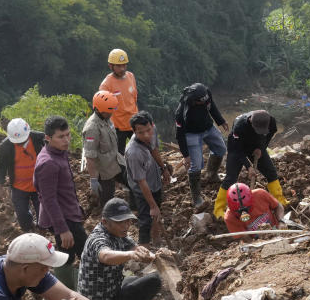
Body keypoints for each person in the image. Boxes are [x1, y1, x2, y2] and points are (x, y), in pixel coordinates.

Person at [78, 198, 163, 300]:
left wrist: (156, 255)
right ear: (105, 222)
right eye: (120, 222)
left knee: (134, 279)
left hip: (111, 292)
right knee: (154, 280)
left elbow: (139, 250)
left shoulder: (120, 234)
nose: (126, 225)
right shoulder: (97, 238)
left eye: (128, 221)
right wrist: (131, 254)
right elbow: (105, 256)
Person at [34, 115, 85, 289]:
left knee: (67, 254)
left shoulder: (59, 153)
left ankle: (68, 292)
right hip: (63, 217)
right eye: (61, 137)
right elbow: (48, 200)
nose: (66, 140)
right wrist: (62, 229)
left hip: (69, 212)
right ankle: (70, 293)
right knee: (84, 253)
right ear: (48, 138)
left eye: (68, 135)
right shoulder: (48, 162)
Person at [213, 110, 288, 219]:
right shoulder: (240, 125)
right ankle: (218, 210)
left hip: (256, 145)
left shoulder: (270, 120)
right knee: (231, 178)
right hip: (237, 147)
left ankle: (280, 201)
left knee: (271, 172)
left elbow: (270, 133)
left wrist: (261, 148)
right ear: (250, 122)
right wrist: (249, 167)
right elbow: (238, 150)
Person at [175, 83, 228, 209]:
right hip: (191, 134)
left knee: (221, 149)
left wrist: (221, 121)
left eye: (205, 100)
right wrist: (186, 155)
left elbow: (212, 107)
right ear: (194, 101)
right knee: (196, 165)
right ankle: (196, 197)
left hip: (208, 128)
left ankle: (211, 174)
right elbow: (179, 135)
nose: (204, 103)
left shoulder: (205, 94)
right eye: (201, 102)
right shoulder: (181, 111)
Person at [124, 111, 167, 245]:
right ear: (134, 132)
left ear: (152, 125)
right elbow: (141, 182)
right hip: (142, 189)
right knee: (145, 220)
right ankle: (144, 251)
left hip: (154, 182)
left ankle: (157, 240)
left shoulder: (152, 130)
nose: (146, 135)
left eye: (148, 130)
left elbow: (154, 150)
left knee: (156, 215)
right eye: (141, 133)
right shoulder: (134, 153)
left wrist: (164, 169)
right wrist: (152, 206)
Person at [0, 118, 45, 231]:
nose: (20, 143)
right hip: (18, 187)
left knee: (43, 214)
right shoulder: (5, 146)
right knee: (22, 215)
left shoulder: (39, 138)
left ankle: (43, 229)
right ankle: (29, 228)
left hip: (39, 185)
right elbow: (1, 167)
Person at [82, 91, 122, 209]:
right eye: (109, 110)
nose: (111, 113)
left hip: (114, 164)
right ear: (99, 110)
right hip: (104, 173)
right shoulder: (92, 128)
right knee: (107, 200)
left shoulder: (106, 119)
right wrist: (93, 180)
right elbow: (90, 156)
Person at [99, 48, 139, 154]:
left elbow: (134, 98)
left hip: (134, 123)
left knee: (140, 151)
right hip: (118, 128)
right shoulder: (106, 85)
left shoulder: (131, 76)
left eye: (124, 65)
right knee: (119, 156)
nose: (122, 68)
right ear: (110, 66)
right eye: (119, 66)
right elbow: (103, 110)